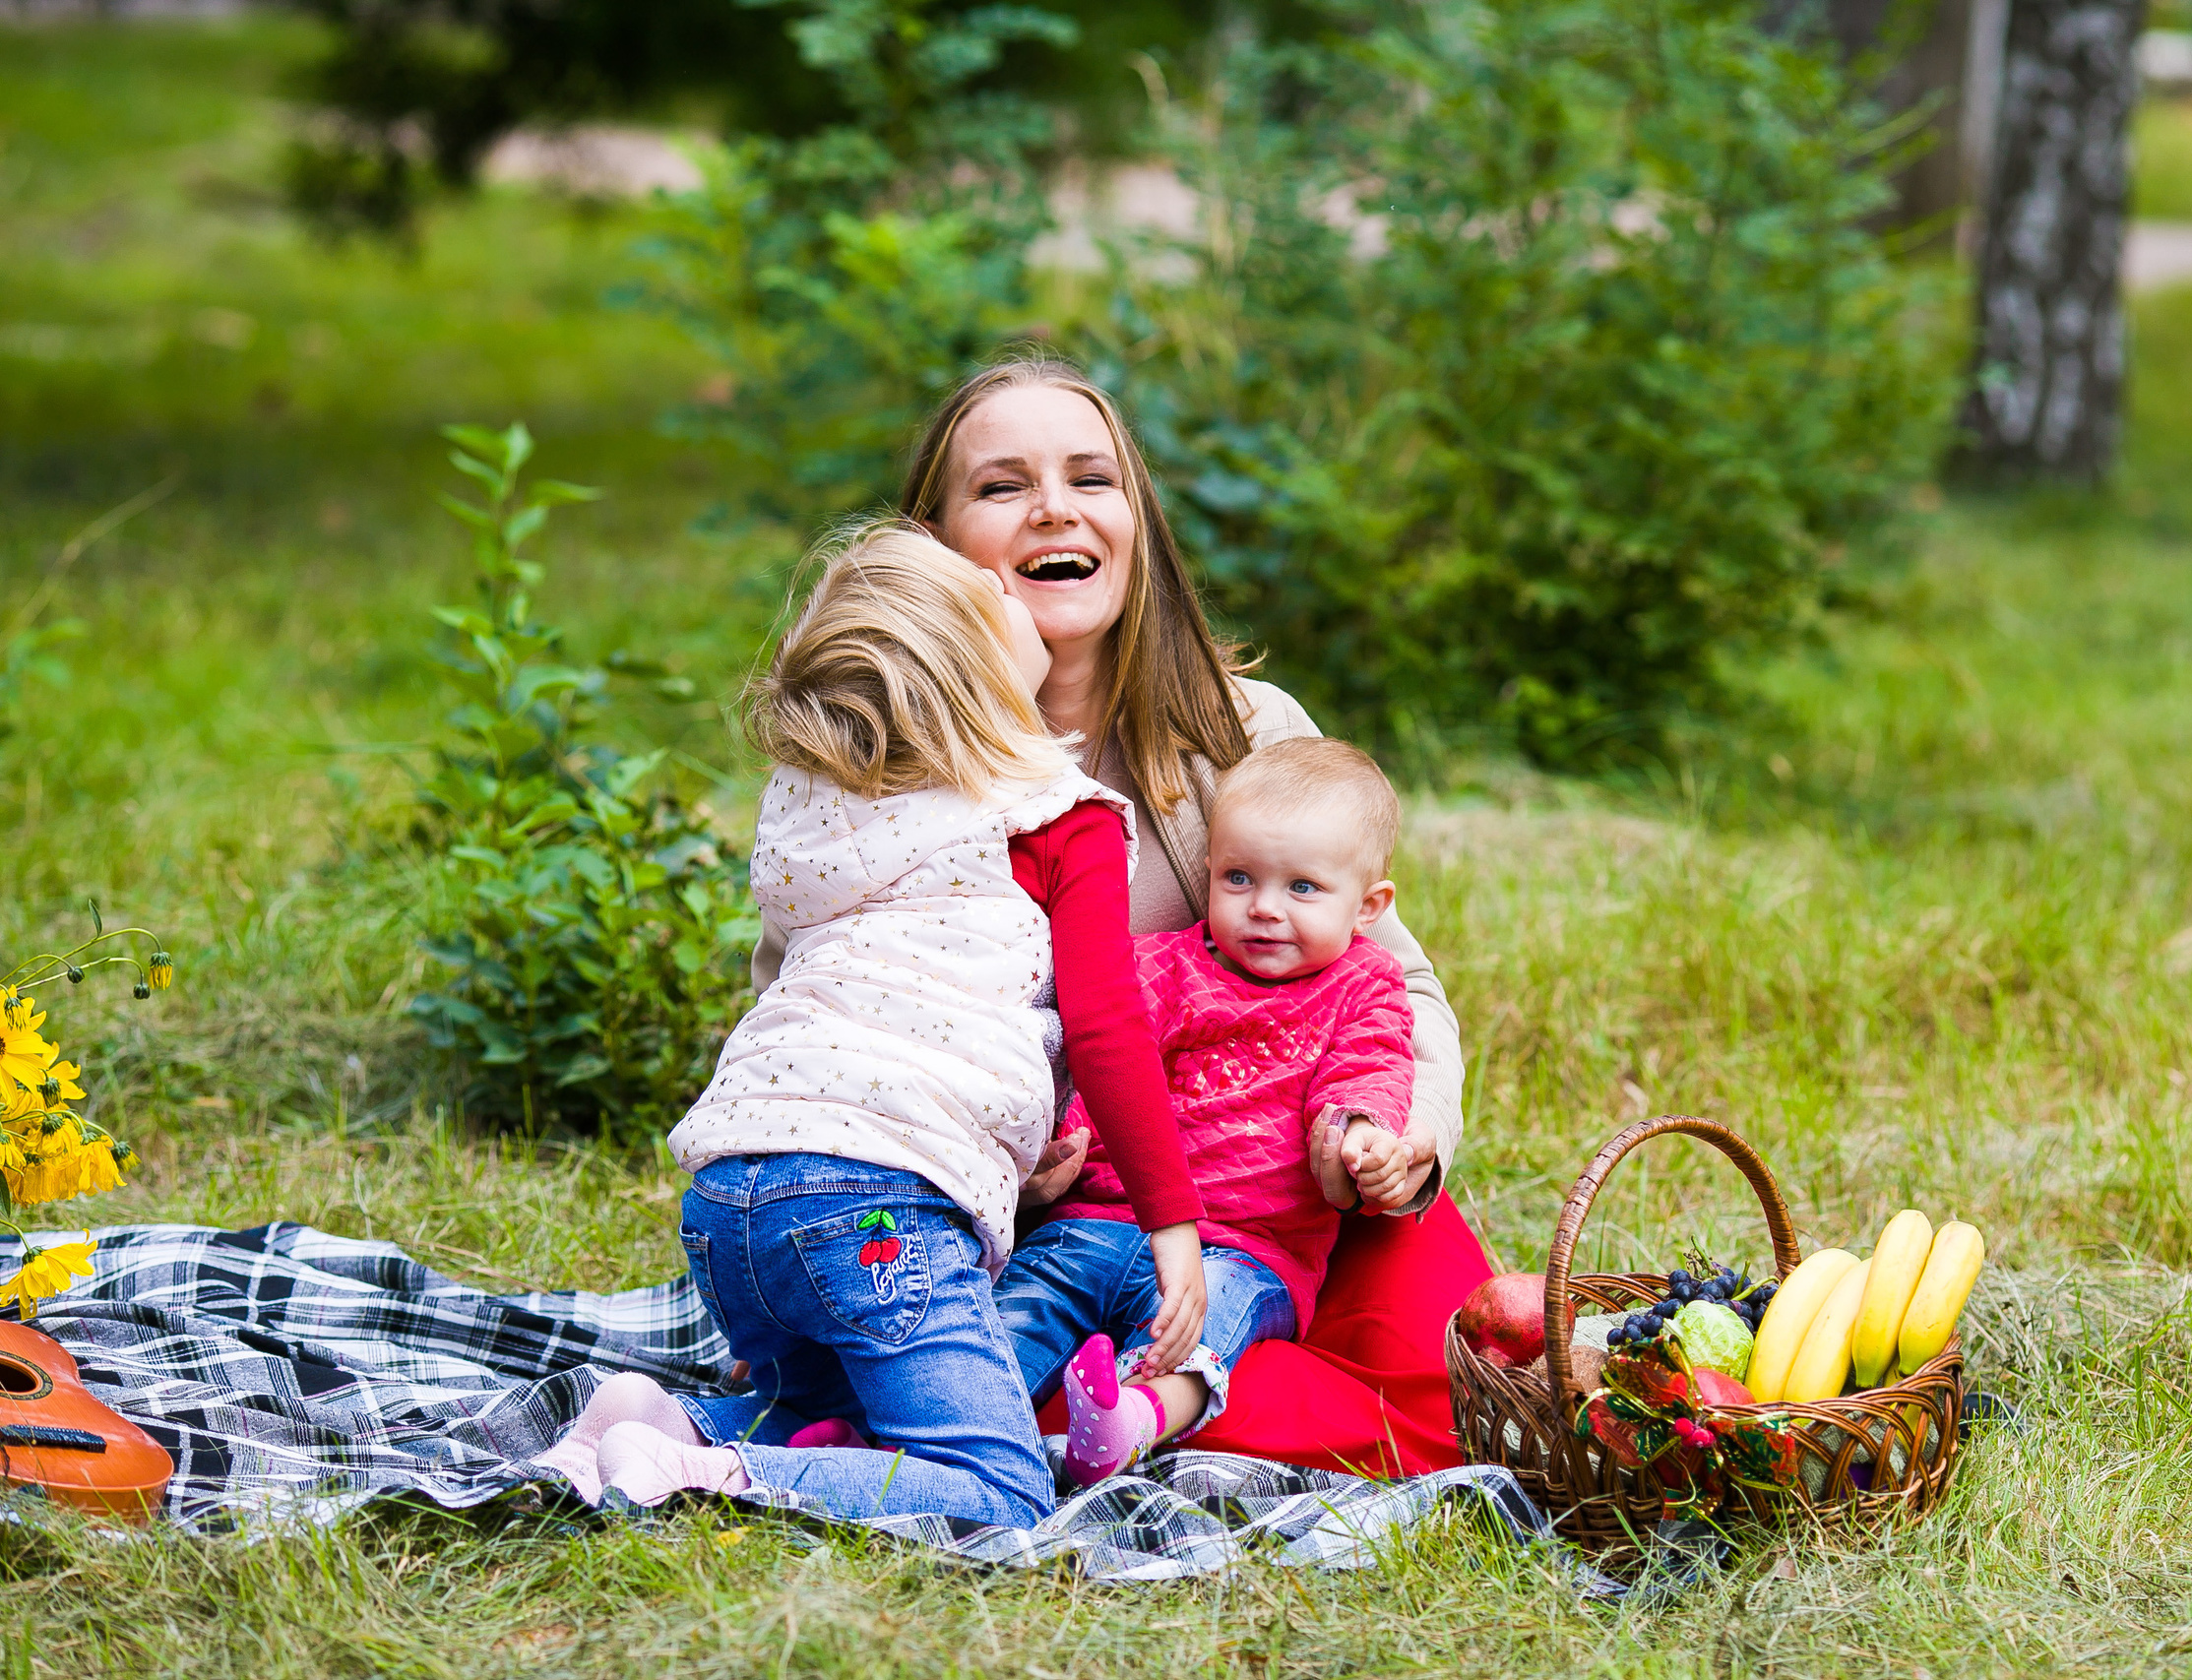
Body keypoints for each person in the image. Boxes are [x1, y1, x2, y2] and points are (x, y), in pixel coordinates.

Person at [748, 354, 1496, 1475]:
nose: (1055, 507)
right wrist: (1002, 1155)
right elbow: (801, 1012)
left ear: (1133, 521)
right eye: (1003, 487)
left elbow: (1398, 988)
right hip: (1015, 1211)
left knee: (1449, 1385)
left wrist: (1403, 1142)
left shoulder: (1242, 732)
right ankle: (1027, 1421)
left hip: (1270, 1198)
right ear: (935, 543)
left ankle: (1094, 1414)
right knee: (974, 1343)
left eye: (1090, 479)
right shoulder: (879, 761)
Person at [534, 522, 1209, 1522]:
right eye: (993, 601)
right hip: (876, 1210)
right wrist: (1173, 1224)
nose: (1012, 592)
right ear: (979, 670)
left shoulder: (823, 816)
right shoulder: (1059, 815)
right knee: (1000, 1486)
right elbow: (1107, 1025)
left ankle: (656, 1423)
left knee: (833, 1419)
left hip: (728, 1200)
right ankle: (711, 1473)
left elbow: (884, 1011)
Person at [995, 737, 1416, 1485]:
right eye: (1240, 877)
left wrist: (1360, 1136)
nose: (1264, 908)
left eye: (1303, 888)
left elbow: (1370, 1067)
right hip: (1099, 1219)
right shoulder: (1161, 966)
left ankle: (1129, 1417)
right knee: (1020, 1307)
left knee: (1207, 1326)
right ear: (1208, 871)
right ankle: (931, 1423)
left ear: (1370, 905)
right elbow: (1101, 1069)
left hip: (1249, 1246)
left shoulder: (1364, 985)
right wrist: (1056, 1146)